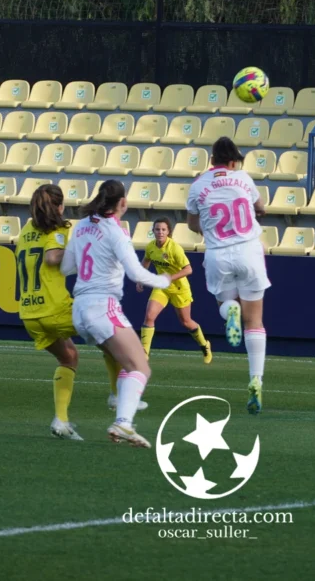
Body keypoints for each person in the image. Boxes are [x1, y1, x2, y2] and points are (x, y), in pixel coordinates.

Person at [60, 179, 179, 448]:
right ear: (122, 203)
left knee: (129, 364)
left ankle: (122, 415)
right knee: (141, 367)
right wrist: (164, 280)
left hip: (79, 308)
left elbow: (67, 267)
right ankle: (123, 422)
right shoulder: (117, 231)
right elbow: (136, 272)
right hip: (103, 306)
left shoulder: (81, 228)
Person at [186, 137, 270, 414]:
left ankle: (230, 311)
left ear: (212, 160)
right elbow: (261, 209)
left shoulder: (198, 185)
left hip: (218, 253)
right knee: (255, 320)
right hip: (248, 250)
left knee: (225, 305)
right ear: (234, 161)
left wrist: (209, 230)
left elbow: (192, 222)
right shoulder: (243, 178)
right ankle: (255, 379)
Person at [16, 184, 84, 441]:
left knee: (69, 357)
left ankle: (61, 420)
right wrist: (87, 254)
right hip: (55, 308)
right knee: (111, 330)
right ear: (58, 207)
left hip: (29, 314)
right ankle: (120, 403)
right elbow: (53, 257)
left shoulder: (26, 229)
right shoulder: (58, 228)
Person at [136, 217, 212, 363]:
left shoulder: (174, 248)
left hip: (179, 288)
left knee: (186, 321)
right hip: (162, 288)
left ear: (168, 232)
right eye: (157, 229)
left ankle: (204, 345)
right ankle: (144, 353)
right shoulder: (151, 247)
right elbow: (146, 260)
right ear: (153, 231)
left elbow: (189, 269)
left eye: (163, 229)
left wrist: (170, 277)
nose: (160, 232)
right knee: (149, 316)